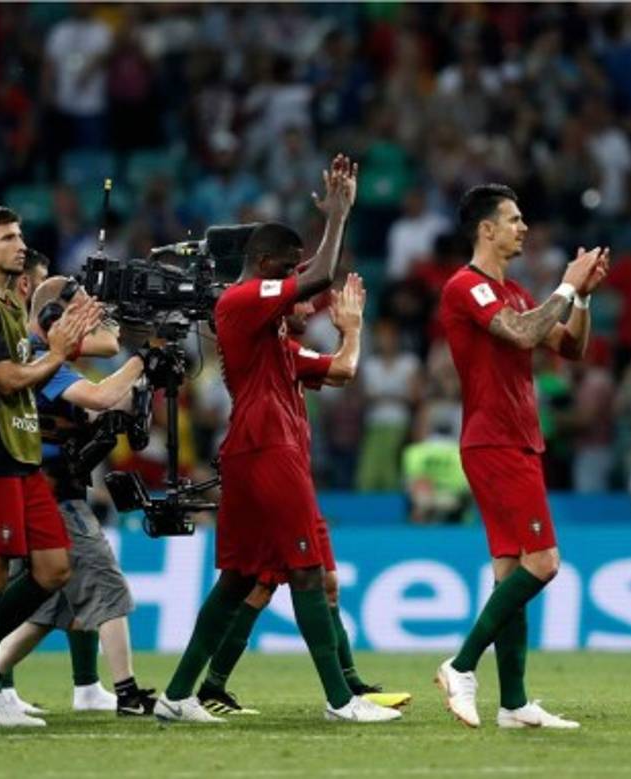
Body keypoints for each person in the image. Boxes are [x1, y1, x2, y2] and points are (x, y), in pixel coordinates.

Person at [154, 155, 398, 724]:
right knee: (307, 572)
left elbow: (339, 363)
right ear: (264, 266)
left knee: (238, 577)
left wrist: (351, 324)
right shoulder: (239, 303)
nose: (301, 295)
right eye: (285, 273)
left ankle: (177, 695)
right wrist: (338, 218)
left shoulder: (276, 344)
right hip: (266, 447)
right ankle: (343, 701)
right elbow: (314, 277)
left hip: (256, 449)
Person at [434, 183, 607, 730]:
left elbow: (571, 346)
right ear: (486, 229)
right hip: (493, 440)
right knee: (544, 563)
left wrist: (581, 297)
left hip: (519, 438)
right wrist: (563, 285)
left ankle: (513, 704)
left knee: (511, 572)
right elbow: (518, 334)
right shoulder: (468, 287)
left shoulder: (511, 291)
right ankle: (461, 666)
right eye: (514, 219)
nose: (523, 227)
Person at [196, 277, 410, 715]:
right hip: (272, 470)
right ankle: (214, 686)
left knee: (319, 582)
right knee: (262, 585)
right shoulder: (272, 350)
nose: (308, 309)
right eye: (300, 304)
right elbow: (345, 369)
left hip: (293, 473)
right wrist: (352, 328)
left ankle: (349, 686)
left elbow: (335, 369)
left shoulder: (285, 352)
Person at [0, 206, 101, 727]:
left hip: (22, 452)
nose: (20, 243)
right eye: (8, 237)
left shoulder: (9, 300)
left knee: (55, 567)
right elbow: (6, 380)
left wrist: (60, 346)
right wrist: (57, 352)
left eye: (21, 234)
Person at [0, 275, 157, 717]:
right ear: (52, 319)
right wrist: (143, 361)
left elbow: (92, 403)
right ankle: (126, 691)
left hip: (36, 488)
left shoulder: (37, 355)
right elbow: (101, 395)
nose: (89, 325)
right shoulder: (44, 357)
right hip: (52, 492)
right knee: (106, 585)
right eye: (77, 315)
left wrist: (135, 390)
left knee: (47, 605)